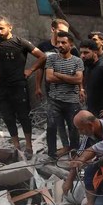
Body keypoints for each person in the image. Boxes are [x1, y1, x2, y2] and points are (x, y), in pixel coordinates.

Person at [0, 16, 45, 155]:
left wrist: (30, 70)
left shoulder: (20, 42)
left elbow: (42, 56)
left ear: (10, 27)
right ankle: (16, 145)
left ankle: (28, 146)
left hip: (18, 85)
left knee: (23, 115)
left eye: (1, 28)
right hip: (2, 86)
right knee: (7, 116)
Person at [35, 18, 80, 155]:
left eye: (65, 33)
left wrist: (81, 88)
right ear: (53, 29)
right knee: (53, 123)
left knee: (73, 124)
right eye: (60, 31)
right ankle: (52, 153)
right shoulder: (43, 47)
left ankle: (74, 151)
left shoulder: (72, 49)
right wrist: (37, 86)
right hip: (52, 92)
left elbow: (78, 74)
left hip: (70, 93)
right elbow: (41, 69)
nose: (63, 35)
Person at [44, 31, 83, 158]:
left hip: (72, 100)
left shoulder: (77, 61)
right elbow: (49, 78)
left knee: (74, 127)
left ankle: (74, 151)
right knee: (52, 126)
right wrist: (69, 78)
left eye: (63, 42)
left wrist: (58, 74)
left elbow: (78, 80)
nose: (60, 45)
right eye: (58, 42)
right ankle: (52, 153)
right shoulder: (51, 58)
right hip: (54, 99)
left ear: (70, 45)